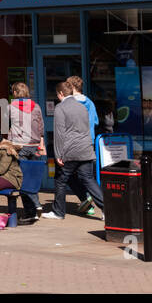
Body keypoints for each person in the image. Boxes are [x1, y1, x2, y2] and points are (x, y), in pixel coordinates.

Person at [42, 81, 104, 221]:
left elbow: (59, 133)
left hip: (70, 150)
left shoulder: (60, 108)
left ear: (61, 94)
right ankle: (107, 209)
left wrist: (58, 154)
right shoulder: (82, 107)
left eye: (57, 94)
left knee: (60, 179)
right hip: (86, 149)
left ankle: (58, 212)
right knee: (88, 179)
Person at [65, 76, 101, 216]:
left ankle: (87, 201)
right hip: (88, 142)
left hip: (74, 143)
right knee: (86, 176)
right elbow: (96, 122)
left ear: (72, 87)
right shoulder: (90, 103)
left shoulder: (70, 103)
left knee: (65, 175)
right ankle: (93, 205)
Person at [8, 83, 45, 158]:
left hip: (18, 145)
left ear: (15, 93)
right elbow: (41, 127)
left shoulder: (10, 107)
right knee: (35, 168)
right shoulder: (36, 106)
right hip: (35, 144)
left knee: (21, 169)